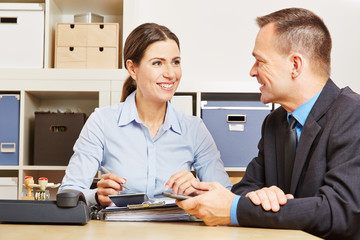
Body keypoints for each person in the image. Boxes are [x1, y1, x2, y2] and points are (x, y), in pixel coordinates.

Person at [176, 8, 360, 239]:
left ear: (295, 65)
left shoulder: (353, 114)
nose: (252, 71)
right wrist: (263, 196)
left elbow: (340, 213)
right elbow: (245, 188)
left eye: (260, 61)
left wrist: (235, 209)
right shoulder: (274, 122)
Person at [59, 23, 231, 207]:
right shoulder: (102, 122)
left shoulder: (194, 129)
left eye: (176, 62)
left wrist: (196, 189)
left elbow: (225, 195)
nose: (171, 73)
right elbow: (68, 192)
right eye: (157, 63)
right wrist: (97, 196)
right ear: (133, 69)